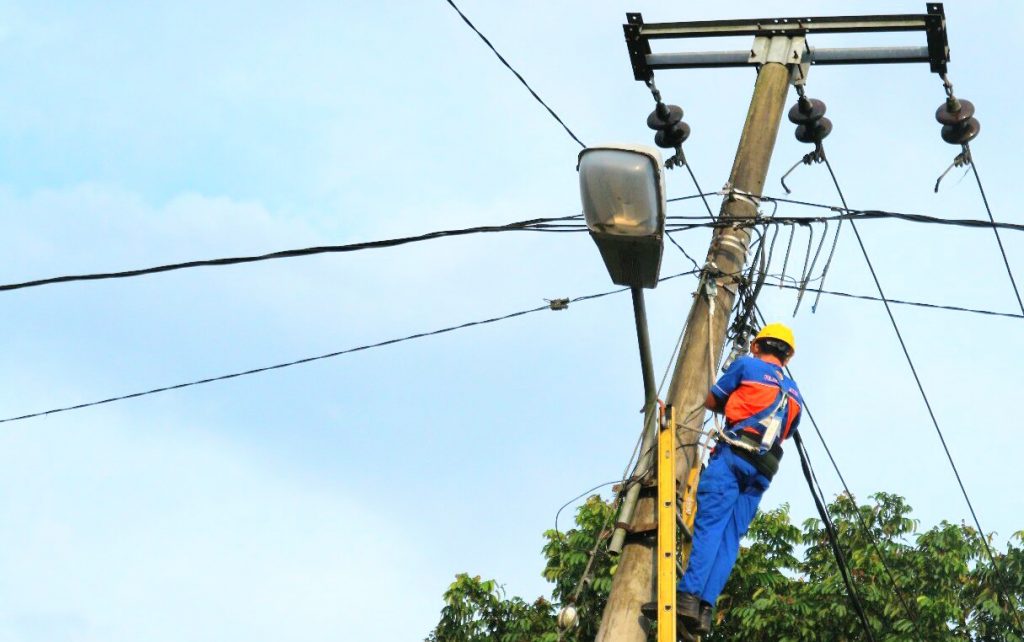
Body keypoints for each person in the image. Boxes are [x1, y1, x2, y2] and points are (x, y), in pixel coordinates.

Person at [676, 323, 803, 637]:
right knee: (730, 539)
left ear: (757, 346)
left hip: (733, 457)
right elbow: (787, 431)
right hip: (764, 469)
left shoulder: (747, 365)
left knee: (710, 528)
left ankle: (687, 597)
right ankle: (705, 611)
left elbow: (712, 401)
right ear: (787, 358)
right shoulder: (795, 394)